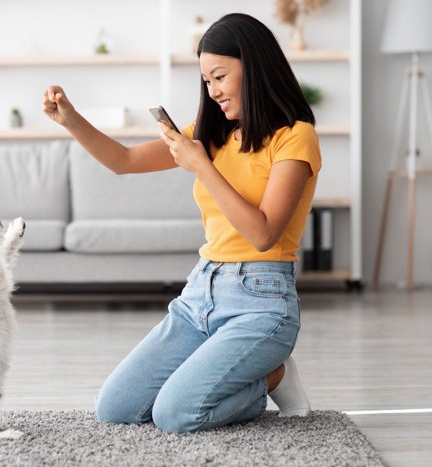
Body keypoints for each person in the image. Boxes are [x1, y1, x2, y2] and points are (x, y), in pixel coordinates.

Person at [42, 12, 319, 433]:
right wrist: (71, 120)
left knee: (175, 414)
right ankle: (231, 370)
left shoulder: (295, 136)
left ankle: (273, 375)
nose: (214, 91)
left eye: (220, 77)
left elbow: (263, 234)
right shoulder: (210, 134)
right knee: (115, 407)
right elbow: (125, 161)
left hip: (262, 301)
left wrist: (202, 167)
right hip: (200, 295)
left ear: (255, 66)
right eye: (207, 81)